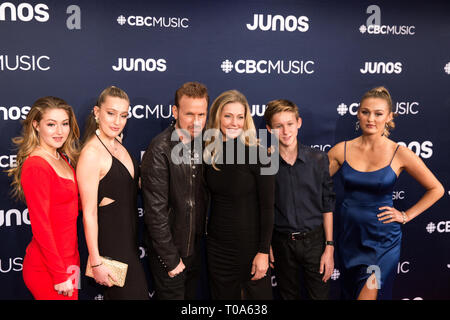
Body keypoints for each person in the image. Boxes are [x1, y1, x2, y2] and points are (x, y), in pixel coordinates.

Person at [328, 86, 444, 300]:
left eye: (378, 113)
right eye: (365, 112)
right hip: (349, 238)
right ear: (358, 113)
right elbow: (312, 185)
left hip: (382, 241)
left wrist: (405, 215)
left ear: (389, 117)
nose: (370, 118)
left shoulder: (399, 153)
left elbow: (437, 189)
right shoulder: (340, 150)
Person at [77, 86, 149, 300]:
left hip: (129, 240)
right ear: (97, 113)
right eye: (111, 113)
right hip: (112, 247)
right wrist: (96, 261)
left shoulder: (118, 143)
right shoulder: (91, 154)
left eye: (123, 115)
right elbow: (89, 213)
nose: (117, 121)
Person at [141, 81, 209, 300]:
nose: (197, 122)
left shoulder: (206, 143)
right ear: (175, 111)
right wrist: (170, 258)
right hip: (170, 252)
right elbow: (155, 211)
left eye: (202, 114)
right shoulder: (160, 148)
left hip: (195, 249)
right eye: (190, 114)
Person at [203, 89, 274, 300]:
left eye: (240, 117)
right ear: (217, 117)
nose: (234, 122)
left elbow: (268, 207)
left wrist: (263, 251)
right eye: (228, 116)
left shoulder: (259, 154)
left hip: (251, 247)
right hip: (217, 247)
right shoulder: (208, 152)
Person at [7, 96, 81, 299]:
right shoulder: (36, 165)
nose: (60, 131)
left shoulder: (63, 158)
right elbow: (41, 225)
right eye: (51, 124)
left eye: (64, 124)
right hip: (49, 269)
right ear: (36, 125)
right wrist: (59, 274)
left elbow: (70, 205)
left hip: (71, 261)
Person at [263, 99, 335, 300]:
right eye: (278, 126)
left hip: (315, 242)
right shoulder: (265, 162)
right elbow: (263, 206)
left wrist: (329, 246)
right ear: (269, 129)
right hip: (282, 243)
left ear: (299, 123)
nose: (285, 131)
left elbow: (327, 203)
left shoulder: (318, 159)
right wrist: (265, 244)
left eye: (290, 124)